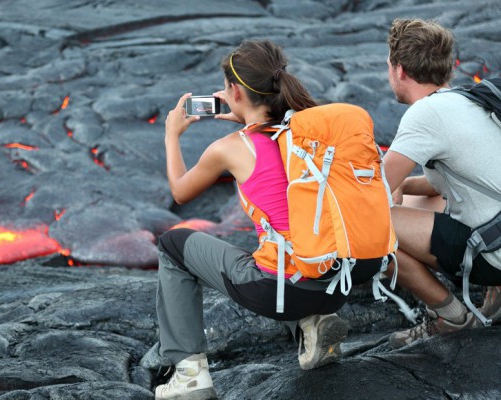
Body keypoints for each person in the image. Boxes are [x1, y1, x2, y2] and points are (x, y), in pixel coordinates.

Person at [154, 39, 384, 400]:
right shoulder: (310, 133)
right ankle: (314, 325)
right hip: (340, 279)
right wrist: (246, 113)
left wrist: (172, 135)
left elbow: (180, 192)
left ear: (233, 91)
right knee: (286, 236)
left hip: (283, 292)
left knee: (172, 245)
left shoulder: (229, 148)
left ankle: (189, 375)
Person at [382, 18, 501, 349]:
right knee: (418, 203)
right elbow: (449, 183)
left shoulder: (425, 115)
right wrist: (403, 188)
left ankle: (451, 317)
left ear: (400, 70)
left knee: (365, 228)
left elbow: (371, 191)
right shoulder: (464, 100)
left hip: (494, 254)